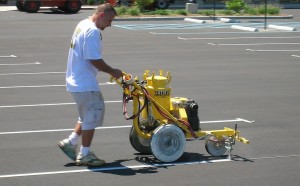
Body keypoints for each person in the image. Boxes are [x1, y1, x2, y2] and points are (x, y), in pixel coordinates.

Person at [58, 3, 122, 166]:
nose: (110, 24)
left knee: (87, 114)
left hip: (76, 80)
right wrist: (112, 71)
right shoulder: (92, 31)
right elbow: (93, 59)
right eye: (109, 20)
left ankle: (70, 142)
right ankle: (85, 154)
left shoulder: (83, 24)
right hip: (84, 82)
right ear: (101, 15)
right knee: (92, 115)